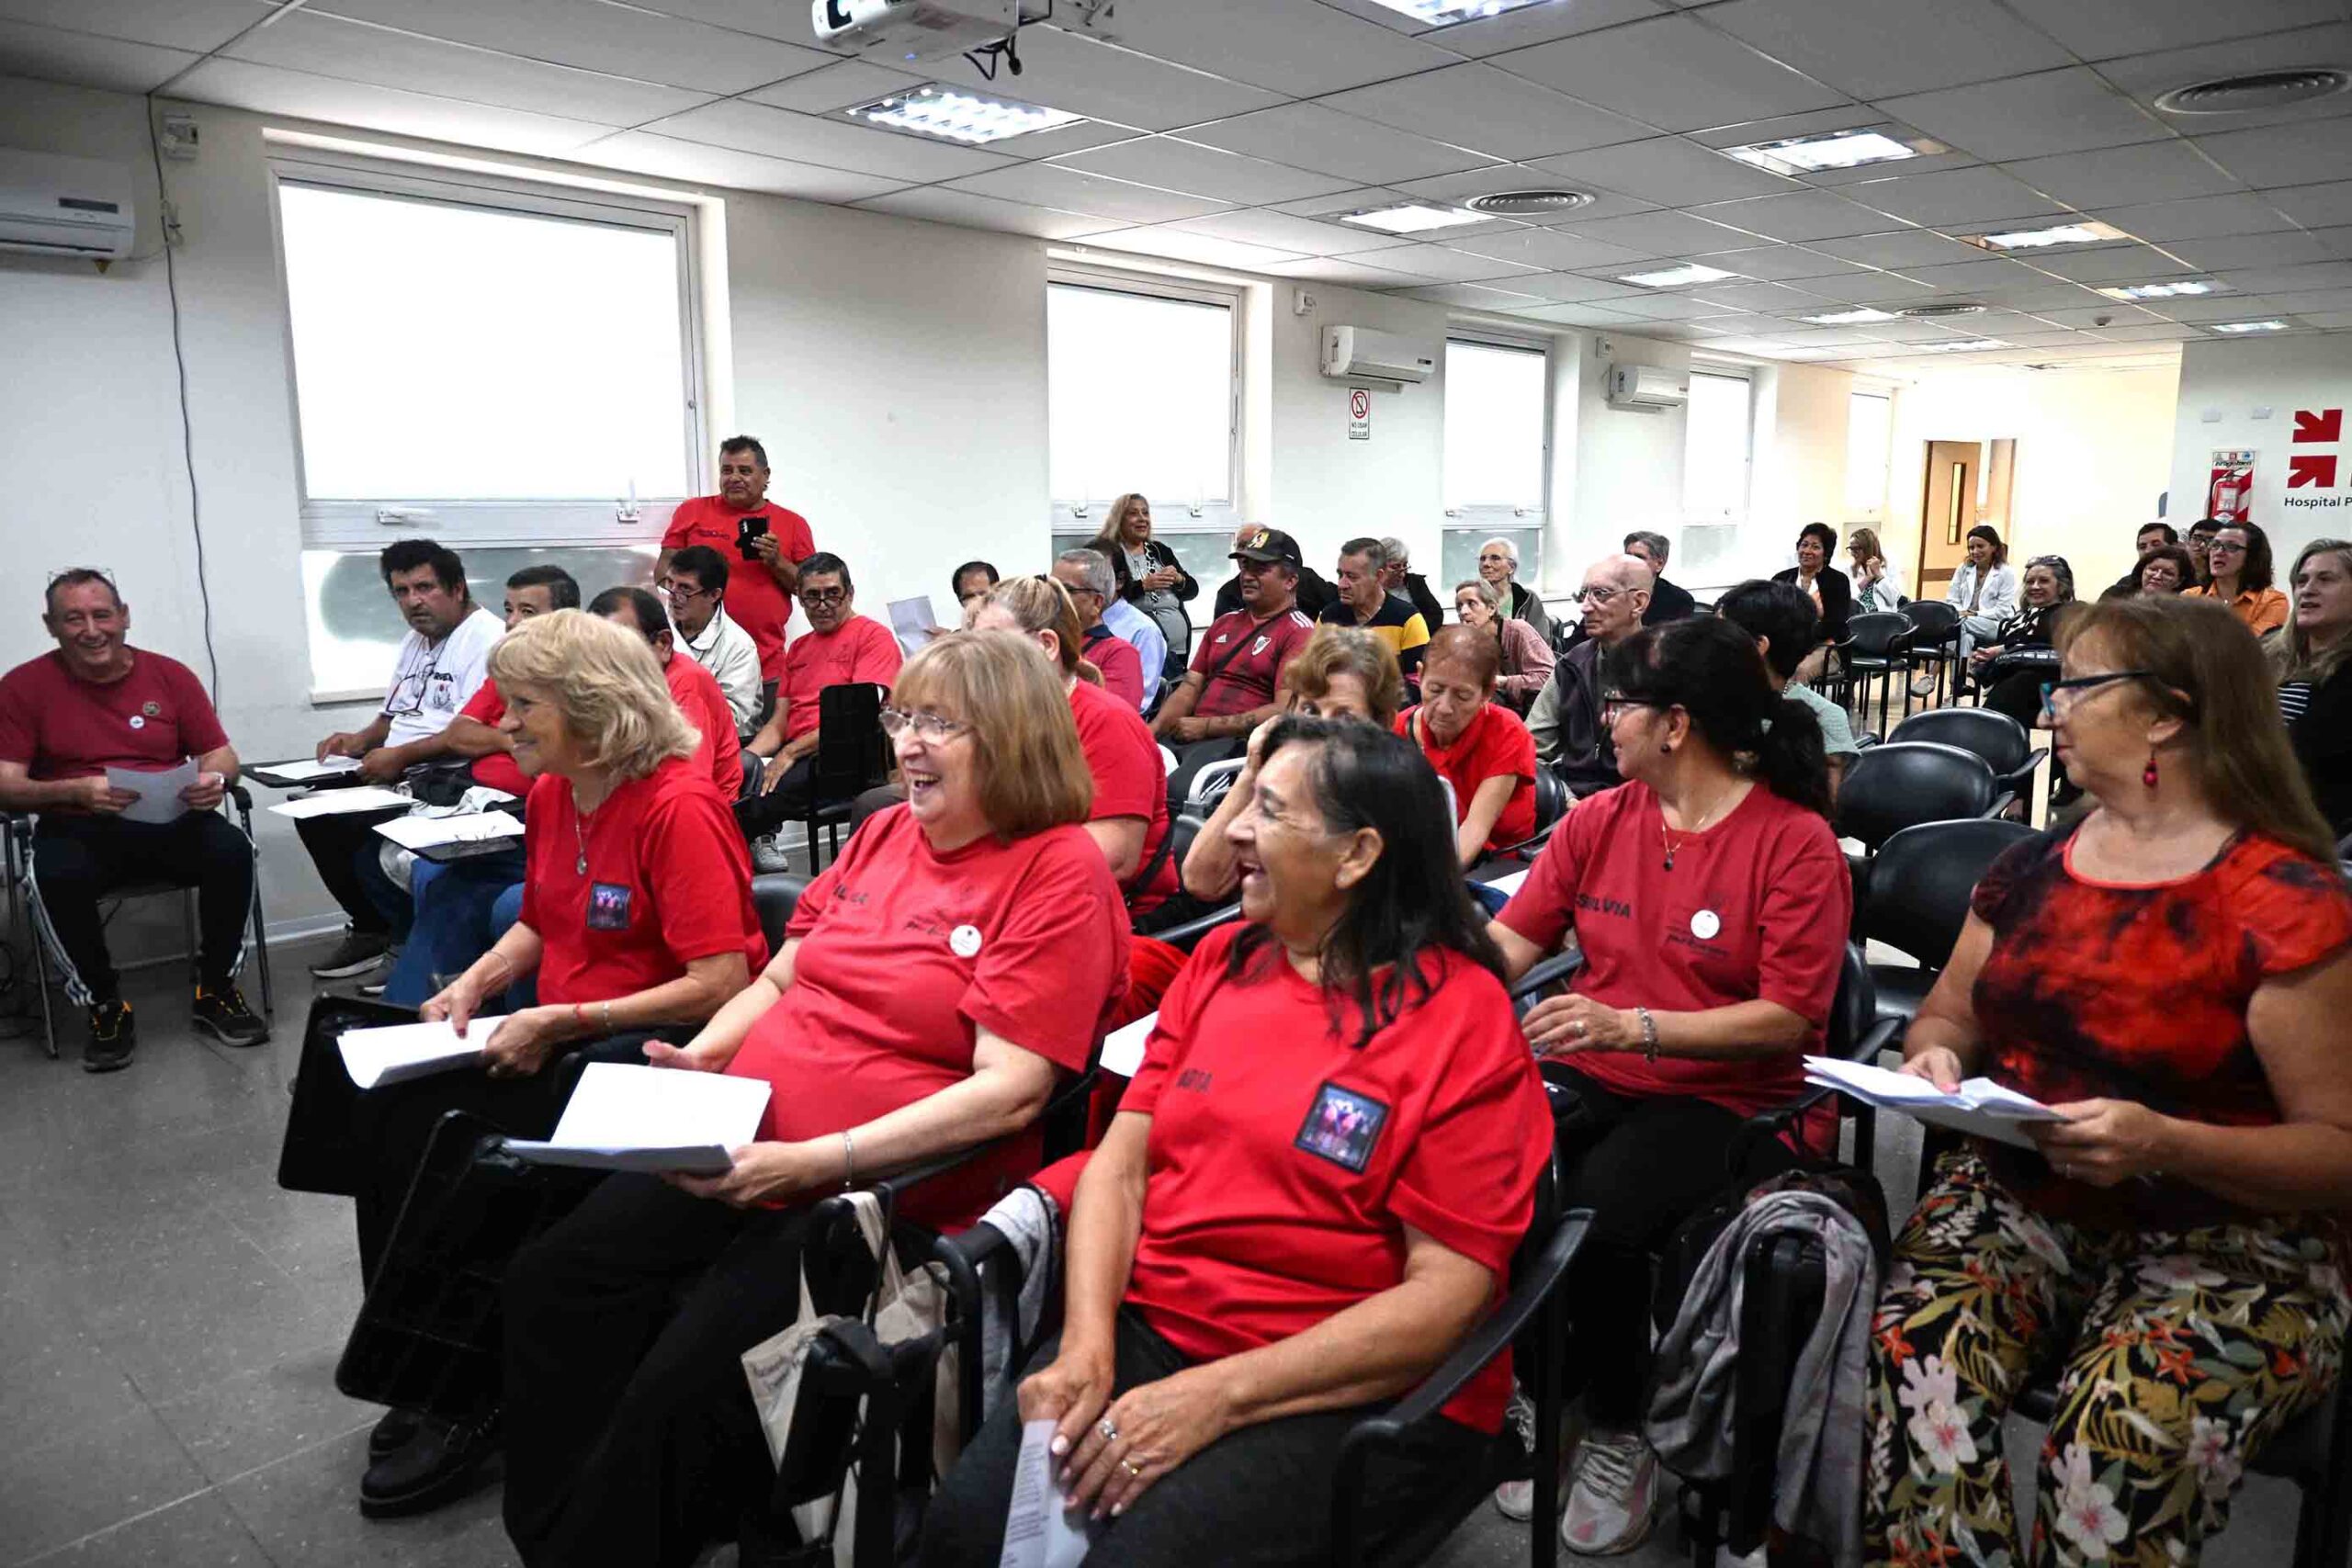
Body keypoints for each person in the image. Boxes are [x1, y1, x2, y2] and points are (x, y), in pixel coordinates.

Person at [498, 631, 1130, 1566]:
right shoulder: (882, 834)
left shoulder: (1055, 871)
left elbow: (1009, 1093)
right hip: (742, 1142)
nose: (906, 745)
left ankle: (617, 1534)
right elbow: (782, 981)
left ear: (1015, 740)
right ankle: (558, 1528)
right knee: (553, 1281)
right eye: (902, 718)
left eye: (941, 725)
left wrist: (816, 1161)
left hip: (872, 1200)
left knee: (682, 1385)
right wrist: (705, 1060)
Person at [922, 716, 1553, 1568]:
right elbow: (1122, 1167)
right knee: (966, 1530)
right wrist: (1086, 1344)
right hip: (1157, 1328)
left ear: (1357, 854)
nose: (1237, 830)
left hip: (1341, 1379)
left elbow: (1447, 1297)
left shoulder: (1461, 1020)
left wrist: (1213, 1398)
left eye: (1268, 809)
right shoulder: (1223, 961)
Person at [1862, 593, 2352, 1568]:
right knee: (1916, 1362)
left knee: (2118, 1433)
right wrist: (1939, 1057)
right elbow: (1951, 1009)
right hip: (2020, 1195)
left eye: (2078, 687)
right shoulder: (2033, 866)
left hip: (2232, 1230)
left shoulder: (2282, 901)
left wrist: (2163, 1141)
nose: (2052, 709)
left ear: (2166, 713)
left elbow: (2335, 1152)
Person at [283, 608, 766, 1517]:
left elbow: (720, 982)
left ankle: (475, 1390)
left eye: (522, 706)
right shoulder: (553, 794)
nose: (500, 725)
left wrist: (561, 1018)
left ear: (592, 710)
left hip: (647, 1053)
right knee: (376, 1121)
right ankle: (432, 1359)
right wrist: (474, 981)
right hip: (565, 1028)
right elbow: (543, 920)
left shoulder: (678, 806)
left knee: (455, 1150)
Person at [1488, 615, 1847, 1553]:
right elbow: (1507, 947)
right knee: (1498, 1167)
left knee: (1601, 1216)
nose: (1603, 722)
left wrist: (1633, 1025)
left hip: (1736, 1092)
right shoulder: (1602, 819)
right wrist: (1406, 957)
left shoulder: (1792, 840)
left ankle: (1618, 1426)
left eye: (1619, 705)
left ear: (1675, 724)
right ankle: (1543, 1392)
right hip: (1601, 1063)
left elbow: (1789, 1019)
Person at [0, 569, 265, 1068]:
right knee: (52, 874)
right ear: (50, 625)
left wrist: (215, 782)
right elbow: (5, 784)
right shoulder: (22, 687)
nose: (91, 630)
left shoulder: (170, 675)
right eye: (73, 618)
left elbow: (222, 755)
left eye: (102, 614)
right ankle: (105, 1004)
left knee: (233, 850)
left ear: (124, 617)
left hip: (169, 817)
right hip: (77, 823)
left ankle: (216, 990)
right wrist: (74, 790)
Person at [304, 538, 504, 979]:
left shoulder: (486, 638)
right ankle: (371, 929)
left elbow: (465, 733)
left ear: (457, 588)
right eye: (402, 591)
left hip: (446, 772)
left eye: (425, 587)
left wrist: (398, 756)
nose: (414, 601)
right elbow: (391, 716)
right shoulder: (417, 640)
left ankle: (404, 939)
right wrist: (357, 740)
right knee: (312, 808)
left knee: (361, 839)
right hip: (399, 763)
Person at [973, 576, 1176, 913]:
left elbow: (1115, 859)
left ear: (1047, 645)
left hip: (1115, 915)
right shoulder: (1006, 718)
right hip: (1036, 898)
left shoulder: (1108, 721)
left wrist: (985, 867)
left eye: (992, 646)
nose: (977, 662)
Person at [1180, 627, 1406, 905]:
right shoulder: (1279, 781)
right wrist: (1253, 770)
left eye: (1344, 718)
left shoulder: (1392, 798)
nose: (1319, 730)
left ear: (1381, 724)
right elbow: (1201, 880)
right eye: (1310, 711)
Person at [737, 552, 903, 846]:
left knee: (758, 801)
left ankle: (720, 864)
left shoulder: (873, 636)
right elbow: (779, 722)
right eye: (813, 597)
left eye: (832, 595)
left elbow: (858, 717)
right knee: (734, 773)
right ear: (800, 599)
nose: (823, 605)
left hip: (845, 756)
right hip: (800, 750)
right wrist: (747, 759)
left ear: (850, 594)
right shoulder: (799, 648)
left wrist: (788, 754)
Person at [656, 435, 814, 699]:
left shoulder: (793, 524)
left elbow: (809, 591)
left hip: (767, 667)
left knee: (758, 738)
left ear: (765, 475)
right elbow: (662, 574)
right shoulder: (692, 511)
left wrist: (777, 562)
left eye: (745, 470)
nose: (734, 478)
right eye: (727, 470)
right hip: (695, 661)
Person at [1151, 528, 1317, 775]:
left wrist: (1207, 727)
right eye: (1245, 567)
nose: (1247, 576)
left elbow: (1283, 711)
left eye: (1260, 569)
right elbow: (1189, 689)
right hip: (1188, 736)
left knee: (1173, 793)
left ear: (1290, 581)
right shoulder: (1224, 624)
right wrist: (1149, 733)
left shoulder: (1299, 632)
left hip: (1239, 748)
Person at [1398, 626, 1537, 865]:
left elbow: (1475, 829)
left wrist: (1428, 890)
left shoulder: (1507, 731)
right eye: (1435, 690)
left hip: (1495, 864)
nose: (1444, 707)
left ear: (1487, 692)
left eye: (1462, 696)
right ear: (1420, 676)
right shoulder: (1398, 728)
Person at [590, 587, 743, 798]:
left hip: (694, 810)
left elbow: (689, 784)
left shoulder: (686, 682)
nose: (608, 663)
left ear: (663, 644)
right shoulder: (614, 684)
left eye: (621, 648)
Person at [1715, 579, 1860, 801]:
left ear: (1758, 646)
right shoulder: (1703, 702)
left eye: (1720, 634)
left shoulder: (1825, 717)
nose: (1710, 644)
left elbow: (1822, 809)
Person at [1528, 553, 1652, 795]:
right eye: (1583, 594)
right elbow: (1529, 749)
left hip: (1640, 803)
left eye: (1600, 594)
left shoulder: (1666, 666)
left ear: (1638, 603)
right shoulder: (1572, 665)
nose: (1585, 607)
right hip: (1572, 798)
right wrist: (1564, 797)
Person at [2274, 537, 2352, 838]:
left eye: (2326, 579)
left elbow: (2302, 749)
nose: (2307, 589)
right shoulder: (2268, 655)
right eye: (2302, 580)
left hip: (2313, 829)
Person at [1094, 493, 1199, 684]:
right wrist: (1143, 586)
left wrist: (1178, 579)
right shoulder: (1108, 553)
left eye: (1145, 512)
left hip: (1179, 648)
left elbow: (1192, 591)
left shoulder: (1159, 550)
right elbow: (1104, 597)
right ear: (1119, 519)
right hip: (1139, 645)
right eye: (1133, 513)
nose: (1142, 518)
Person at [661, 546, 763, 739]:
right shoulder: (657, 622)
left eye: (685, 589)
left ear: (714, 595)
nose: (673, 597)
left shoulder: (739, 646)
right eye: (669, 584)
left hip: (712, 746)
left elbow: (737, 722)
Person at [1968, 554, 2078, 729]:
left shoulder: (2071, 614)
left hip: (2052, 691)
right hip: (2013, 686)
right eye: (2030, 581)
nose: (2035, 586)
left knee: (2019, 685)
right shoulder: (2017, 619)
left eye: (2043, 581)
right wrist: (1990, 655)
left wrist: (2003, 652)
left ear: (2061, 585)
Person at [1062, 547, 1166, 711]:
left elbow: (1124, 711)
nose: (1056, 596)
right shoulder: (1053, 637)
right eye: (1052, 586)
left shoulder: (1134, 639)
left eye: (1068, 590)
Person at [1045, 549, 1147, 712]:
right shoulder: (1045, 642)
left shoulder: (1120, 654)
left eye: (1065, 590)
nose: (1051, 596)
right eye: (1049, 587)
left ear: (1097, 602)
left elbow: (1111, 720)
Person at [1317, 536, 1430, 680]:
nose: (1341, 584)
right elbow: (1313, 676)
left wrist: (1370, 700)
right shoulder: (1328, 618)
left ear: (1378, 576)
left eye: (1352, 577)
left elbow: (1418, 683)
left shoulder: (1408, 619)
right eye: (1340, 574)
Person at [1453, 577, 1555, 713]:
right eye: (1459, 606)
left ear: (1491, 608)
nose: (1463, 612)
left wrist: (1504, 681)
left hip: (1538, 712)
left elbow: (1549, 678)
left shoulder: (1519, 630)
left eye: (1471, 603)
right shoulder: (1466, 643)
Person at [1213, 520, 1339, 622]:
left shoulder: (1306, 581)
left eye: (1261, 569)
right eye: (1242, 546)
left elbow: (1343, 602)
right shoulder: (1228, 594)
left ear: (1290, 581)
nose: (1247, 553)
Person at [2195, 520, 2290, 635]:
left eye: (2231, 547)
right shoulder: (2190, 596)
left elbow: (2252, 646)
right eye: (2215, 545)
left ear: (2252, 556)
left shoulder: (2273, 601)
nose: (2219, 552)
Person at [1944, 523, 2021, 656]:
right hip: (1965, 621)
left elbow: (2002, 611)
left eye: (1980, 546)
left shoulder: (2006, 572)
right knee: (1965, 638)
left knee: (1957, 624)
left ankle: (1932, 674)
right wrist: (1961, 612)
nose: (1975, 551)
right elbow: (1952, 599)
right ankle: (1959, 676)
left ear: (1994, 547)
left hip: (1994, 625)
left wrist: (1973, 614)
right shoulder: (1963, 569)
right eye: (1971, 547)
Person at [1772, 523, 1853, 647]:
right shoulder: (1781, 578)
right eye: (1804, 545)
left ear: (1826, 553)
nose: (1807, 551)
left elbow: (1836, 624)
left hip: (1825, 644)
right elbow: (1771, 615)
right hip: (1785, 645)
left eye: (1815, 547)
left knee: (1803, 667)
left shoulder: (1838, 581)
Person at [1478, 536, 1553, 643]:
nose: (1486, 564)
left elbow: (1540, 641)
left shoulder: (1527, 598)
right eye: (1482, 559)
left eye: (1495, 558)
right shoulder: (1473, 597)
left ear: (1511, 567)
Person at [1378, 534, 1446, 632]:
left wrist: (1413, 630)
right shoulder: (1370, 589)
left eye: (1405, 565)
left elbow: (1436, 615)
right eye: (1395, 567)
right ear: (1380, 566)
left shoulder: (1415, 583)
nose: (1402, 574)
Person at [1624, 531, 1696, 624]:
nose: (1630, 562)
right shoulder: (1611, 592)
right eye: (1628, 556)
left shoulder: (1679, 600)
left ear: (1659, 564)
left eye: (1639, 557)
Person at [2098, 522, 2179, 600]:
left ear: (2174, 547)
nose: (2148, 551)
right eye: (2142, 547)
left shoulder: (2187, 594)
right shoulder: (2119, 591)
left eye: (2156, 545)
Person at [1848, 526, 1907, 615]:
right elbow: (1849, 601)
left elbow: (1894, 599)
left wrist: (1879, 575)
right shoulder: (1849, 570)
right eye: (1851, 549)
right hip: (1859, 619)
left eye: (1856, 549)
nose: (1852, 553)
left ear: (1867, 548)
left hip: (1885, 620)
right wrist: (1866, 579)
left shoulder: (1889, 567)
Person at [2130, 543, 2196, 598]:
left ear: (2179, 581)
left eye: (2167, 573)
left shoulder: (2187, 611)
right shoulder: (2122, 597)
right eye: (2152, 569)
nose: (2157, 576)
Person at [2187, 516, 2222, 587]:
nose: (2202, 545)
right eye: (2196, 538)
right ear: (2188, 541)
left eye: (2210, 540)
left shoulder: (2222, 575)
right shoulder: (2177, 568)